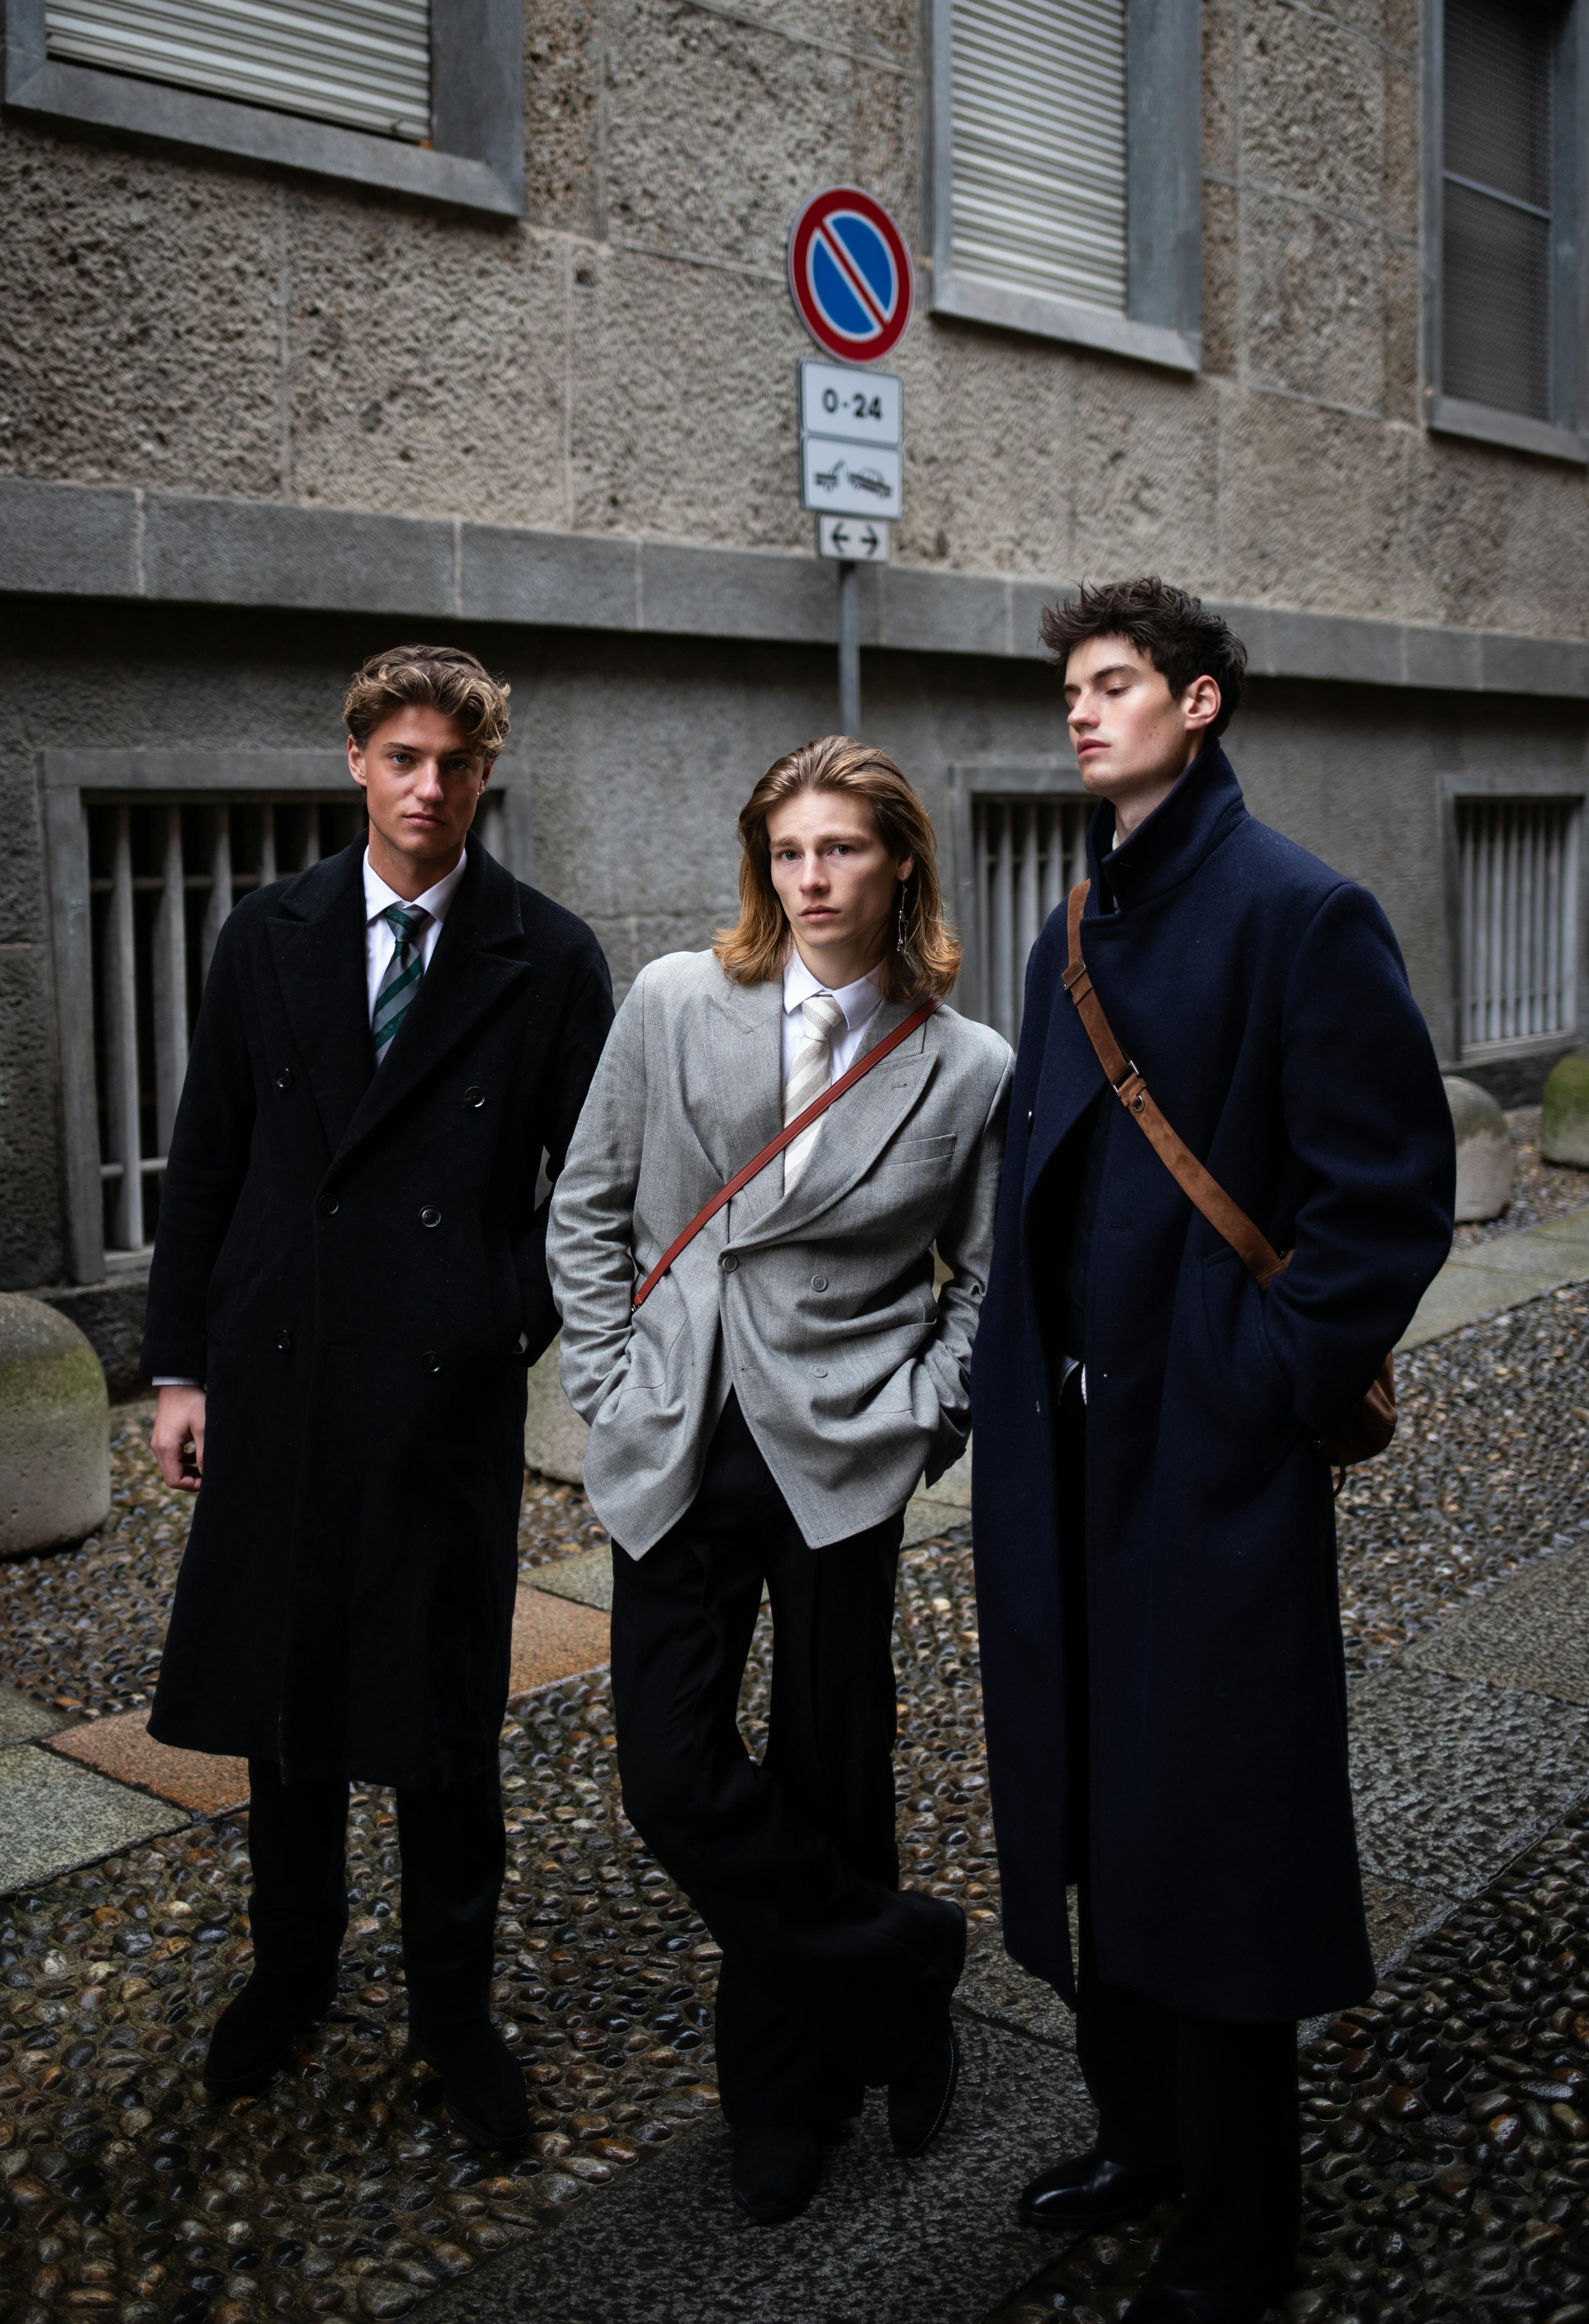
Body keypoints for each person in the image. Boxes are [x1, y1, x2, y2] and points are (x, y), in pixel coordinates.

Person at [972, 580, 1455, 2324]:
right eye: (1073, 689)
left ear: (1199, 706)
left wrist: (1244, 1383)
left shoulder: (1297, 911)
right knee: (1098, 1813)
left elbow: (1383, 1201)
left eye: (1117, 686)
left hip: (1197, 1467)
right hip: (1060, 1466)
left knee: (1217, 1843)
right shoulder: (1072, 920)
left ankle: (1241, 2222)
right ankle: (1141, 2136)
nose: (1084, 713)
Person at [143, 642, 613, 2147]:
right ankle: (291, 1974)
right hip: (277, 1379)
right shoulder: (261, 937)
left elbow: (592, 1189)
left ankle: (453, 2013)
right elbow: (205, 1161)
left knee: (441, 1715)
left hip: (438, 1397)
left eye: (457, 763)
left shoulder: (548, 954)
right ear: (356, 760)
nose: (430, 787)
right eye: (403, 757)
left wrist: (500, 1321)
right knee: (288, 1705)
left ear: (486, 775)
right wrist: (178, 1366)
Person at [547, 736, 1011, 2224]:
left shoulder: (967, 1065)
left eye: (843, 851)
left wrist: (926, 1418)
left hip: (840, 1453)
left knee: (834, 1776)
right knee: (671, 1776)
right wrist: (611, 1384)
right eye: (790, 852)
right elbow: (591, 1205)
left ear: (901, 867)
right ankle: (902, 1966)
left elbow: (988, 1286)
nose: (813, 880)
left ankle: (788, 2098)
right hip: (675, 1434)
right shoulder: (679, 998)